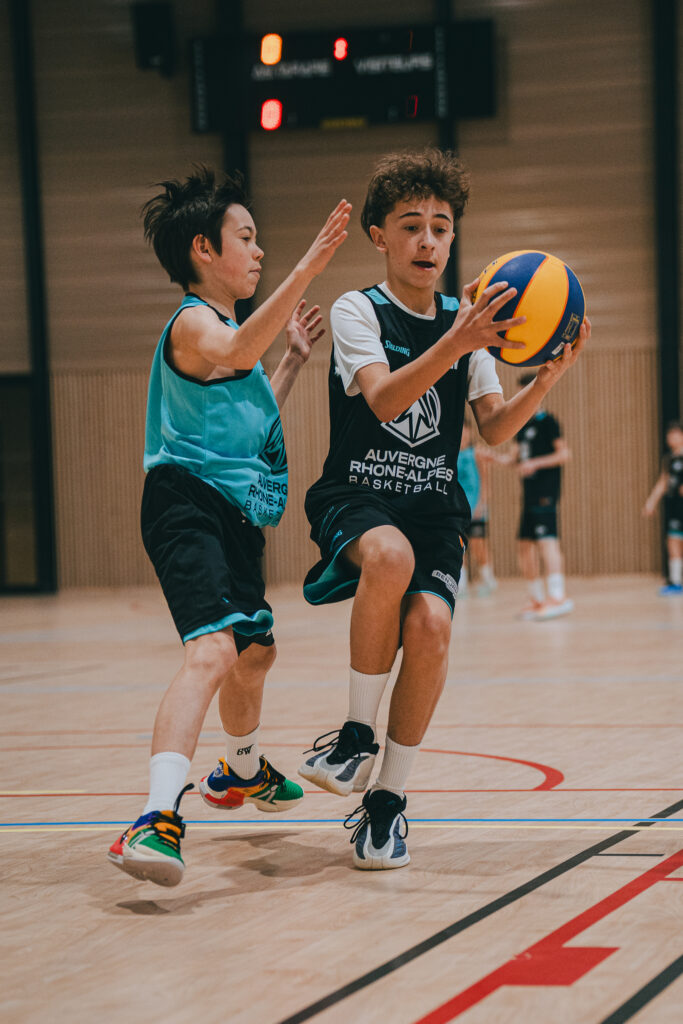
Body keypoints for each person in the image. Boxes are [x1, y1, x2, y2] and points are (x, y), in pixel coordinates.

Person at [297, 148, 589, 870]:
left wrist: (544, 380)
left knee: (430, 627)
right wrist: (456, 344)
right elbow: (384, 399)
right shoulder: (358, 310)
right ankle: (354, 736)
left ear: (453, 237)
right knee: (388, 556)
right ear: (379, 236)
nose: (427, 240)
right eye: (410, 226)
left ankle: (386, 803)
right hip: (357, 491)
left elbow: (492, 428)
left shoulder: (469, 322)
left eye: (440, 227)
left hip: (433, 507)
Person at [108, 166, 351, 886]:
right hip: (186, 503)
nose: (258, 250)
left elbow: (248, 407)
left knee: (255, 654)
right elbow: (238, 351)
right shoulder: (192, 321)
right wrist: (311, 265)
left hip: (234, 513)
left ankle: (241, 771)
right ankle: (154, 817)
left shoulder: (229, 338)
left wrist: (292, 363)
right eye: (245, 237)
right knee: (213, 651)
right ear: (203, 249)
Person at [508, 374, 573, 621]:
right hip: (528, 494)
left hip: (546, 492)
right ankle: (536, 598)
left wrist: (535, 463)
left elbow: (564, 455)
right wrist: (493, 458)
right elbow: (514, 459)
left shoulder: (548, 422)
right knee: (525, 545)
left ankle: (558, 596)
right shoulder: (521, 426)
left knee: (547, 541)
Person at [457, 419, 498, 597]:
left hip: (476, 507)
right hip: (458, 509)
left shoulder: (477, 453)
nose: (462, 435)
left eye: (465, 431)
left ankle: (488, 579)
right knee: (459, 546)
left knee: (478, 545)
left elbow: (485, 479)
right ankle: (461, 584)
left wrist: (482, 503)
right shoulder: (450, 454)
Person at [642, 421, 683, 595]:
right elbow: (663, 482)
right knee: (673, 541)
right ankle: (675, 581)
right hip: (674, 506)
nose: (671, 438)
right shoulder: (669, 459)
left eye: (675, 435)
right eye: (669, 435)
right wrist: (651, 502)